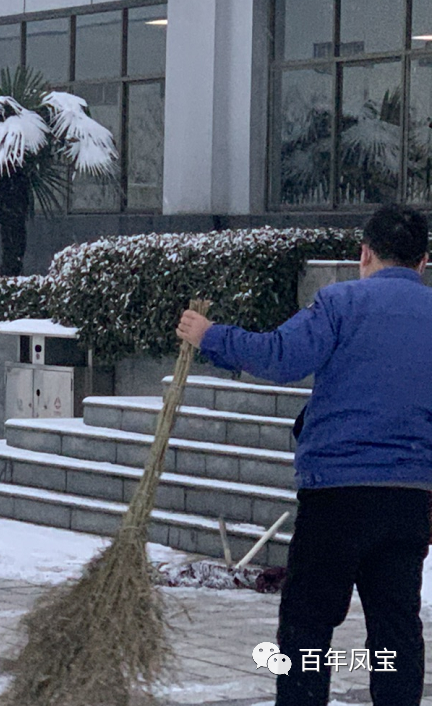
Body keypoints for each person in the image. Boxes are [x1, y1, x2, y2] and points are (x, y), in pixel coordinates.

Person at [176, 204, 432, 706]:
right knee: (396, 625)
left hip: (336, 494)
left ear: (364, 254)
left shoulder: (339, 303)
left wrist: (210, 336)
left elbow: (280, 356)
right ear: (423, 261)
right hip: (410, 497)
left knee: (307, 623)